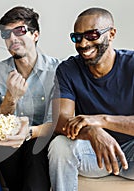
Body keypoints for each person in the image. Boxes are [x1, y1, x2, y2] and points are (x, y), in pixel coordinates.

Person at [49, 7, 134, 191]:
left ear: (111, 34)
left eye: (92, 35)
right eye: (77, 37)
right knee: (60, 146)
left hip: (131, 154)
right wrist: (91, 131)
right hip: (93, 155)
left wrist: (100, 121)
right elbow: (60, 121)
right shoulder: (68, 70)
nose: (83, 43)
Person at [0, 6, 60, 191]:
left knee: (36, 149)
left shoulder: (58, 70)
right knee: (2, 146)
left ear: (35, 35)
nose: (12, 39)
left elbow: (59, 122)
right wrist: (10, 98)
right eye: (6, 34)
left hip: (42, 138)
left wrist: (28, 132)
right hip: (9, 141)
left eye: (19, 31)